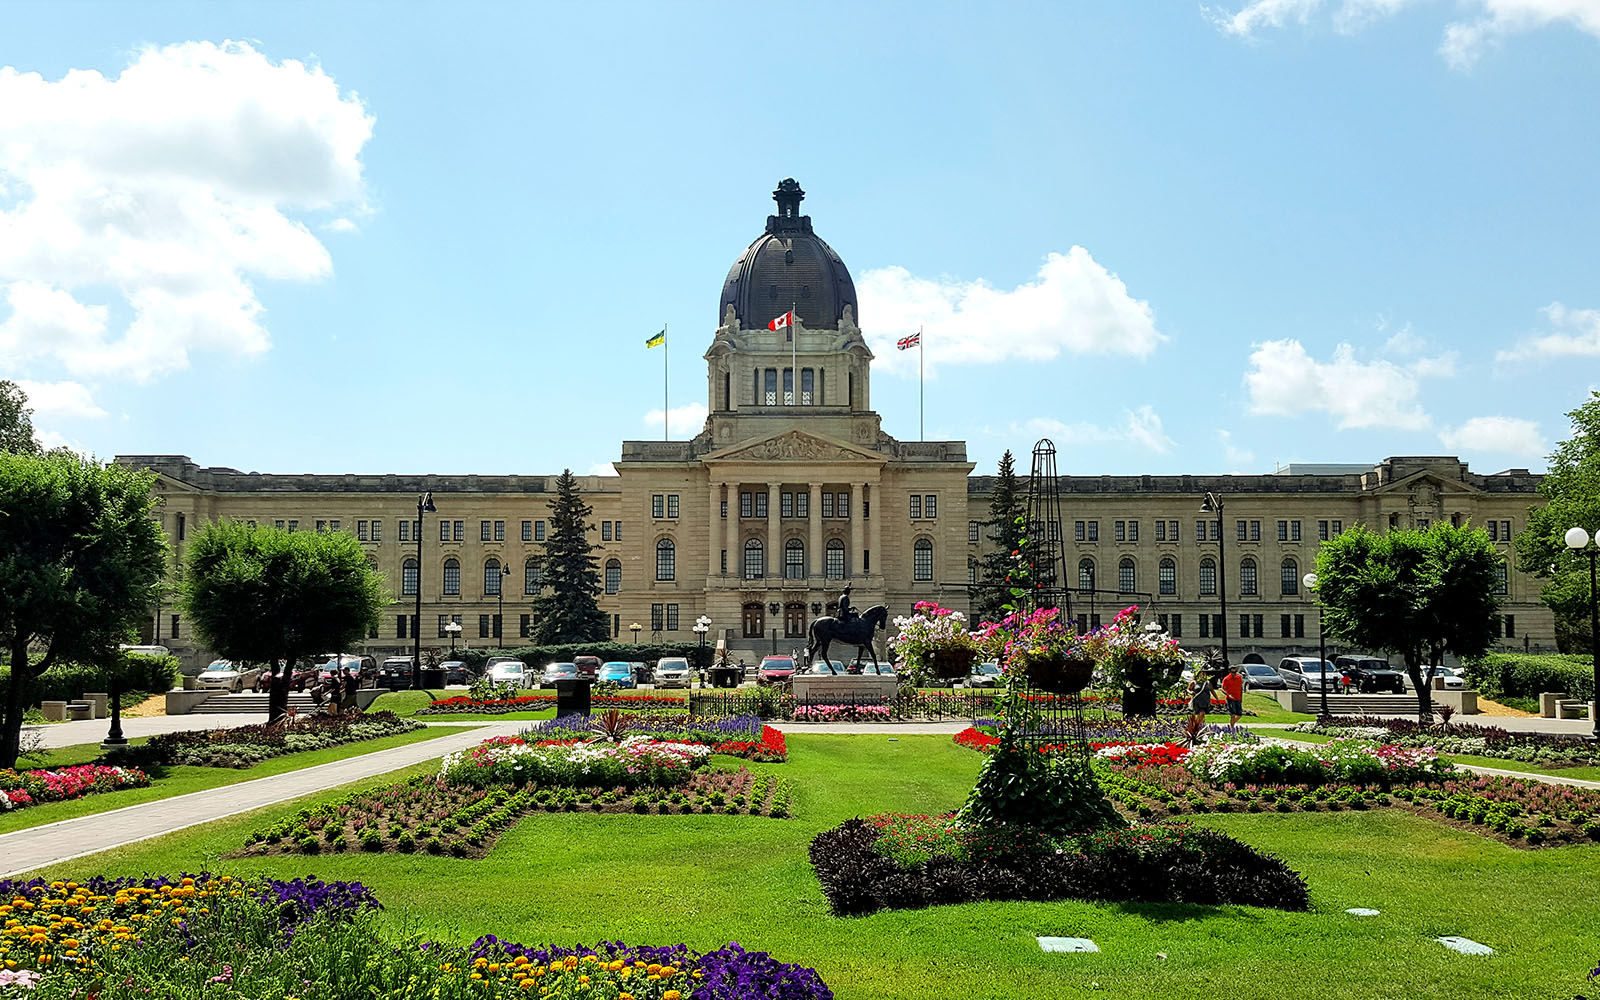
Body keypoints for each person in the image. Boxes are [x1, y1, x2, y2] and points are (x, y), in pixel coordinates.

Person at [1186, 670, 1215, 742]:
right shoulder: (1194, 682)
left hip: (1205, 700)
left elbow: (1212, 690)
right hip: (1197, 700)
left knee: (1202, 715)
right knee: (1201, 714)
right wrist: (1191, 692)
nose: (1203, 675)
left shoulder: (1207, 682)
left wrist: (1216, 699)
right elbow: (1188, 689)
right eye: (1201, 674)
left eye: (1204, 674)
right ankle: (1200, 727)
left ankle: (1200, 727)